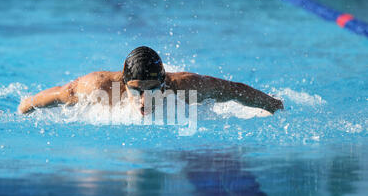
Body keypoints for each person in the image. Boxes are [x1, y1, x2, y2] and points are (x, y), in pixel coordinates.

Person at [18, 46, 284, 115]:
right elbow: (59, 94)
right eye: (136, 91)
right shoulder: (98, 88)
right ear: (124, 83)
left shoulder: (185, 87)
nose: (144, 102)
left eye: (152, 90)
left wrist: (272, 104)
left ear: (165, 83)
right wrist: (25, 107)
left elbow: (234, 91)